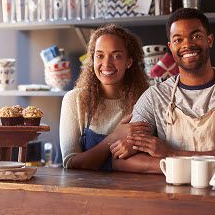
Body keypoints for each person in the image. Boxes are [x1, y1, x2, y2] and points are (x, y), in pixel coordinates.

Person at [110, 8, 215, 172]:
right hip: (171, 194)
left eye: (196, 36)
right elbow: (120, 160)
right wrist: (172, 166)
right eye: (178, 40)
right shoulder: (155, 96)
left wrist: (172, 154)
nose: (187, 45)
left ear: (209, 40)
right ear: (170, 47)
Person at [59, 24, 151, 171]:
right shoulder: (74, 100)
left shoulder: (145, 99)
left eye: (116, 56)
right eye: (100, 55)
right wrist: (114, 137)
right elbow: (71, 163)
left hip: (132, 190)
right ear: (93, 59)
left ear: (129, 62)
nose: (106, 64)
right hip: (85, 191)